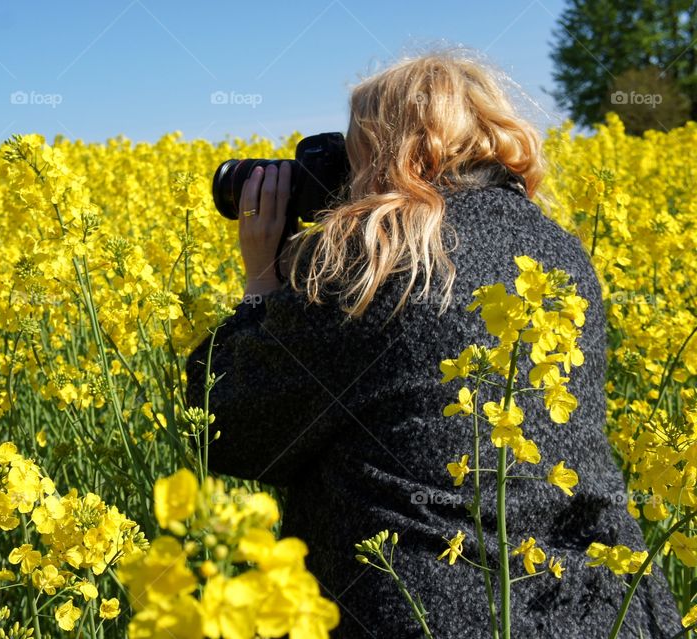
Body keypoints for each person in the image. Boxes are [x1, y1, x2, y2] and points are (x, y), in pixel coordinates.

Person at [183, 51, 682, 638]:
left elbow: (224, 427)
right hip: (600, 610)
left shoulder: (382, 256)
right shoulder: (562, 250)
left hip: (423, 614)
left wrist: (262, 282)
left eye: (355, 149)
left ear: (386, 150)